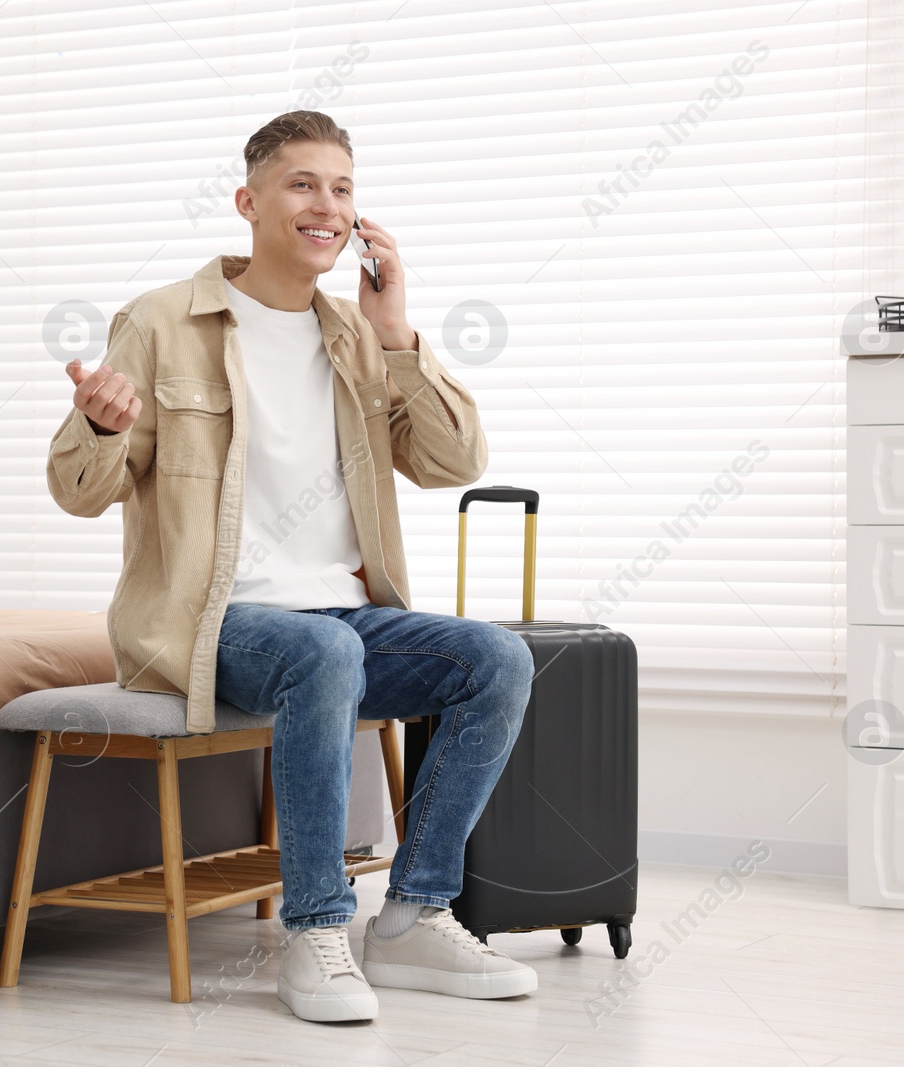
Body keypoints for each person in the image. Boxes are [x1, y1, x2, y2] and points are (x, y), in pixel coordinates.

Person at [46, 110, 537, 1023]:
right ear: (249, 201)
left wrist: (397, 333)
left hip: (342, 619)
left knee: (496, 659)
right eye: (304, 184)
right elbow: (80, 492)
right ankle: (316, 930)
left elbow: (453, 462)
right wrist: (101, 427)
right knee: (324, 656)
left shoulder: (354, 335)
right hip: (213, 620)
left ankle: (415, 913)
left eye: (343, 188)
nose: (328, 205)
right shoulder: (162, 322)